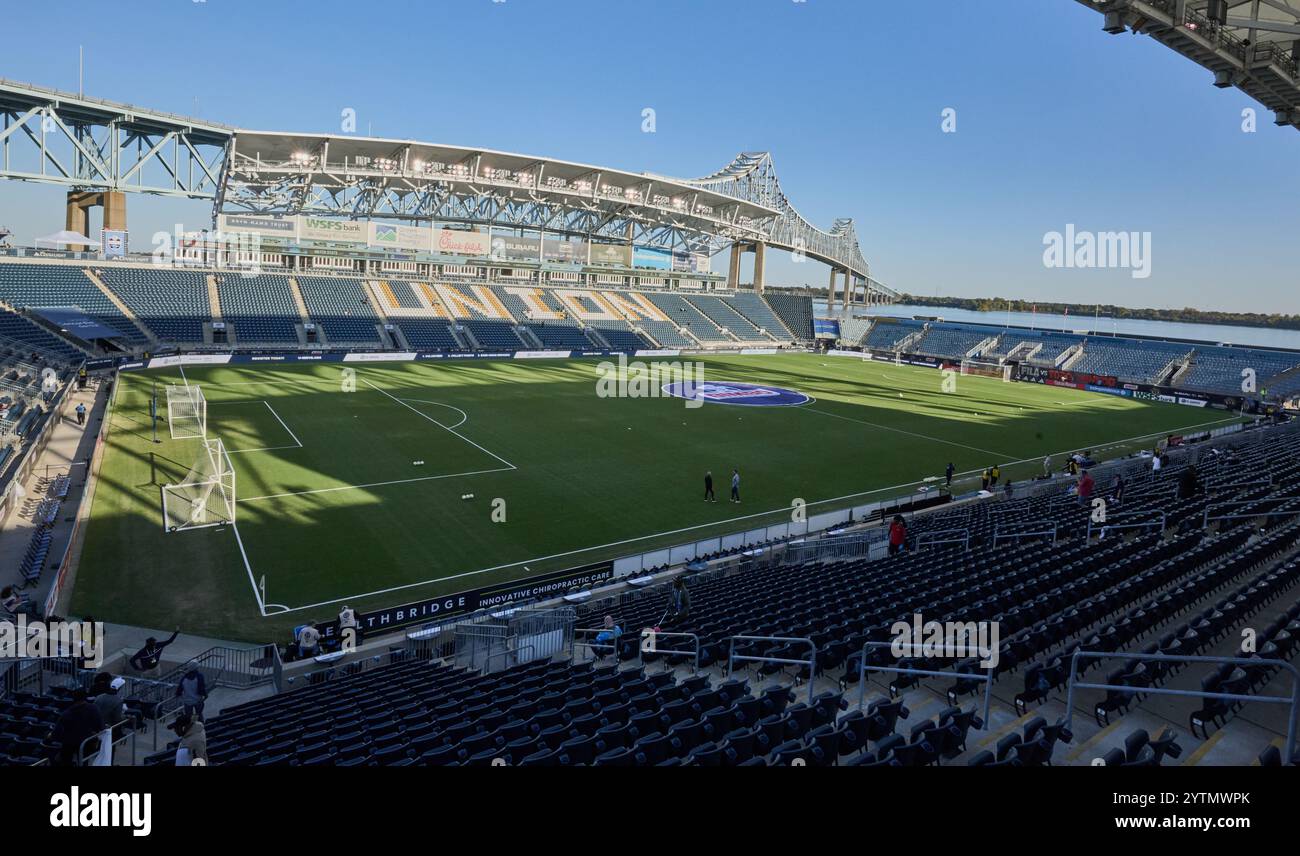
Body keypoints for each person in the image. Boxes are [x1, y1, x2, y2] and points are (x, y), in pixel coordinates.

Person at [50, 690, 104, 766]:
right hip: (87, 742)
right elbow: (101, 726)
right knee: (83, 761)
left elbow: (56, 733)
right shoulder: (93, 709)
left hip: (70, 744)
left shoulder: (66, 713)